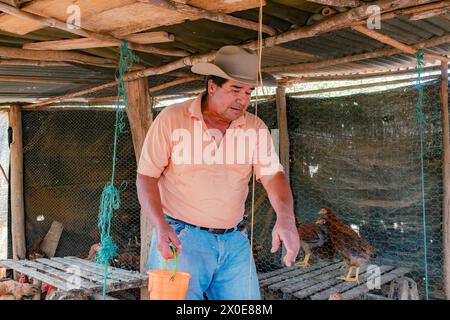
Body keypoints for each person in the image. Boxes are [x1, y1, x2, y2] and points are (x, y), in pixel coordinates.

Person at [136, 45, 299, 300]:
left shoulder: (254, 127)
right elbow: (146, 176)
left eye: (248, 92)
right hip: (181, 239)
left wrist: (286, 219)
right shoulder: (172, 119)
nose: (243, 100)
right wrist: (160, 225)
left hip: (234, 241)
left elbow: (272, 175)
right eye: (235, 90)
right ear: (212, 87)